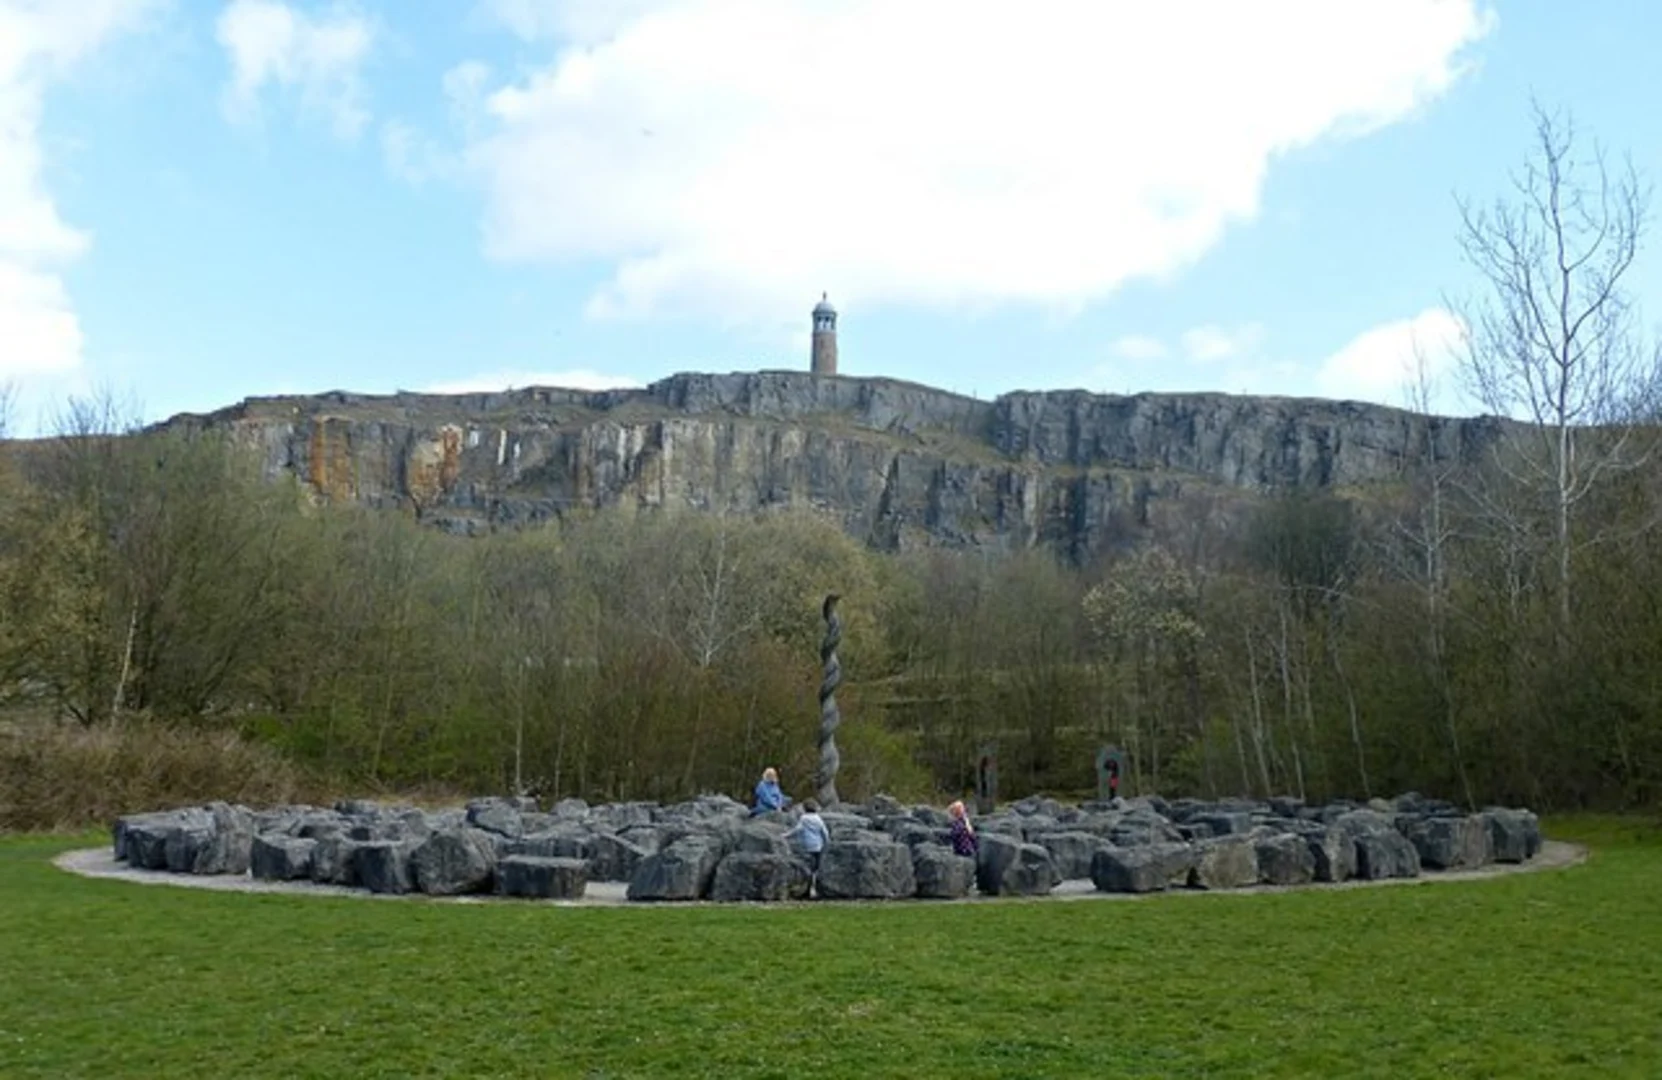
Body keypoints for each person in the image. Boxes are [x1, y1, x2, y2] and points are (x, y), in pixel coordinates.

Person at [783, 799, 830, 894]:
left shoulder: (804, 818)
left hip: (807, 845)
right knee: (816, 867)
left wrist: (786, 835)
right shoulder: (818, 818)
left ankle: (804, 885)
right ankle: (813, 886)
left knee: (807, 865)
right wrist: (826, 841)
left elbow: (798, 829)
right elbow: (824, 832)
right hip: (818, 845)